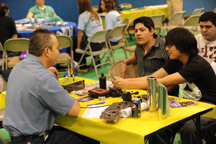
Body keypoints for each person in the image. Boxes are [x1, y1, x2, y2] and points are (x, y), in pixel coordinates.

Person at [112, 27, 216, 144]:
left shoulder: (196, 65)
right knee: (155, 122)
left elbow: (162, 82)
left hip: (208, 108)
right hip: (188, 105)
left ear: (181, 47)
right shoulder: (176, 60)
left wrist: (127, 84)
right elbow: (153, 77)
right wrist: (127, 82)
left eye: (170, 46)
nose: (166, 49)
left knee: (189, 127)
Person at [3, 29, 99, 144]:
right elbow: (74, 110)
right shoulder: (45, 78)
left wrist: (47, 72)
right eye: (57, 48)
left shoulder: (18, 66)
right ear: (47, 51)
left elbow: (35, 80)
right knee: (91, 138)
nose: (58, 52)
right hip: (36, 140)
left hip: (16, 137)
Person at [73, 0, 104, 73]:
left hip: (92, 47)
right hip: (101, 44)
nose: (77, 7)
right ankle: (97, 62)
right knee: (91, 38)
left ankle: (82, 65)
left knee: (75, 38)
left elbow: (80, 34)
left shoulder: (82, 16)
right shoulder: (96, 14)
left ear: (82, 6)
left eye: (78, 5)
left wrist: (78, 48)